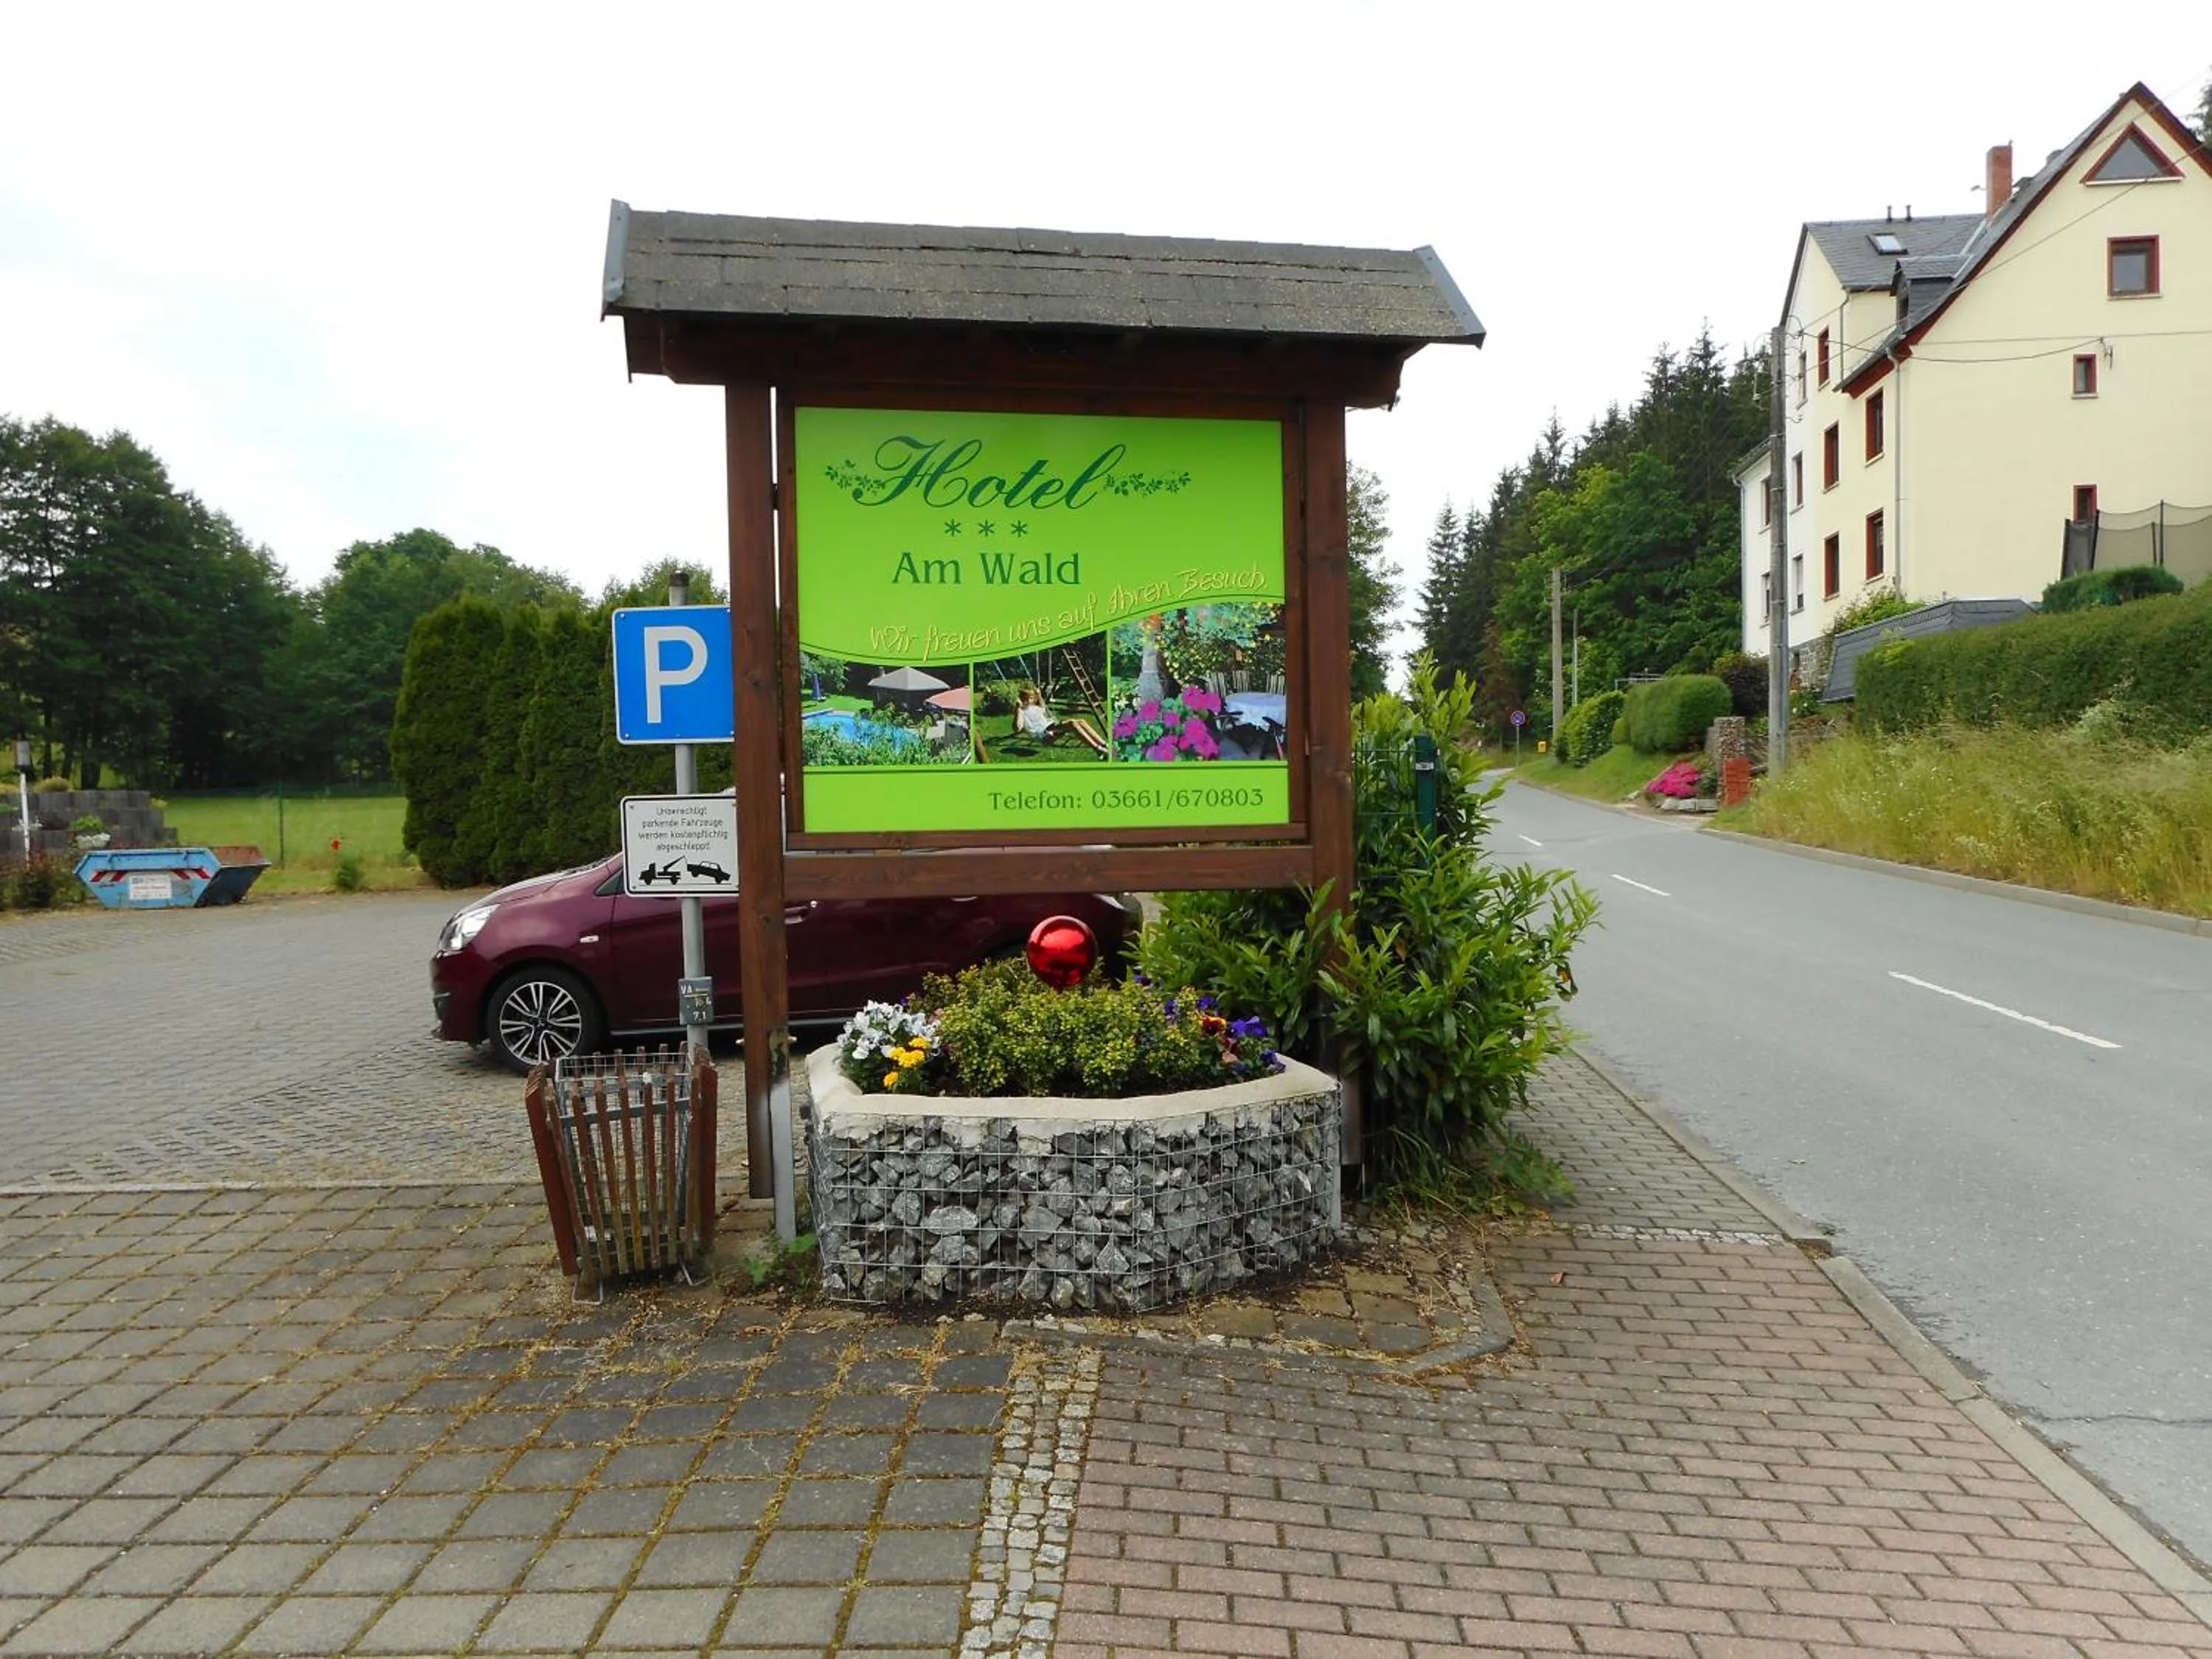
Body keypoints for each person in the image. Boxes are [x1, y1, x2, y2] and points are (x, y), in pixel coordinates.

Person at [1013, 685, 1108, 755]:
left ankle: (1104, 745)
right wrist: (1018, 709)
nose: (1029, 701)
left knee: (1082, 721)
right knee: (1072, 724)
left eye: (1031, 698)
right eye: (1026, 699)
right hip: (1044, 735)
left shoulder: (1033, 706)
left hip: (1050, 727)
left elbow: (1043, 708)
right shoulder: (1021, 711)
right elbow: (1017, 728)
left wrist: (1039, 695)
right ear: (1021, 699)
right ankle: (1098, 750)